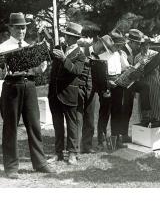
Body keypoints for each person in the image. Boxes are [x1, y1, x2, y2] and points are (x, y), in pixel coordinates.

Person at [0, 12, 55, 179]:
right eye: (17, 28)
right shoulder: (2, 48)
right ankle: (11, 167)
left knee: (34, 125)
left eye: (23, 28)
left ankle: (40, 163)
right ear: (10, 28)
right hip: (11, 86)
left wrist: (42, 65)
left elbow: (37, 71)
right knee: (10, 127)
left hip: (30, 86)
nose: (21, 31)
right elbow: (1, 73)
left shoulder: (29, 46)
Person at [48, 22, 85, 165]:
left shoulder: (80, 55)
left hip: (69, 94)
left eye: (70, 36)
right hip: (54, 94)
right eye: (66, 35)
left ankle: (72, 154)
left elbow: (76, 71)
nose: (66, 38)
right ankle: (58, 153)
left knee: (71, 124)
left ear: (76, 39)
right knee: (57, 125)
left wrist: (64, 59)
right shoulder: (59, 48)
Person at [121, 29, 151, 142]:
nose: (139, 46)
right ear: (131, 42)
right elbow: (125, 68)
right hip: (122, 83)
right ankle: (122, 134)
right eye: (138, 43)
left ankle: (145, 115)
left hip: (129, 82)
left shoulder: (132, 51)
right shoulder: (123, 51)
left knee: (128, 108)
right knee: (125, 108)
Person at [76, 25, 100, 154]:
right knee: (78, 117)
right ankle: (75, 146)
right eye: (94, 39)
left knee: (90, 117)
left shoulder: (93, 50)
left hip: (91, 86)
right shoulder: (77, 46)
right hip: (79, 85)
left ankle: (87, 145)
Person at [135, 36, 160, 121]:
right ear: (140, 46)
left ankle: (157, 122)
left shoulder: (155, 54)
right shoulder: (137, 57)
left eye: (147, 45)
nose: (145, 47)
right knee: (145, 104)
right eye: (143, 45)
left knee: (156, 103)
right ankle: (145, 123)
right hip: (143, 82)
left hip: (154, 80)